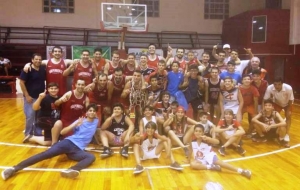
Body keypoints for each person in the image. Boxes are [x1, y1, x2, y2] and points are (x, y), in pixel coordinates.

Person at [1, 104, 99, 180]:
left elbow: (97, 130)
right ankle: (14, 169)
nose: (92, 112)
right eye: (90, 110)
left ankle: (72, 170)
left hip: (78, 150)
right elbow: (63, 132)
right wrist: (76, 124)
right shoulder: (80, 121)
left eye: (94, 111)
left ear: (96, 113)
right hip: (68, 143)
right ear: (86, 112)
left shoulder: (96, 121)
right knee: (45, 155)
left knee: (91, 157)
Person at [52, 79, 89, 144]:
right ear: (75, 85)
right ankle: (53, 144)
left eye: (82, 85)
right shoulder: (69, 94)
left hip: (75, 124)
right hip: (64, 122)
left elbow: (88, 113)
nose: (80, 86)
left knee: (71, 142)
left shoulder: (86, 99)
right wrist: (61, 101)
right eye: (79, 84)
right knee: (58, 123)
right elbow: (55, 103)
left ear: (85, 86)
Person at [19, 53, 46, 137]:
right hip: (30, 97)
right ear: (32, 60)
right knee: (30, 116)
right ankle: (28, 134)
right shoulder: (27, 69)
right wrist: (27, 95)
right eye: (36, 59)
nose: (38, 61)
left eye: (39, 59)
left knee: (39, 116)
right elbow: (21, 82)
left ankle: (37, 132)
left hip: (40, 98)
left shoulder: (42, 69)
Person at [263, 77, 294, 142]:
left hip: (288, 103)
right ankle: (276, 132)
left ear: (282, 84)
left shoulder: (288, 88)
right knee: (274, 116)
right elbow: (265, 99)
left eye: (279, 84)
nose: (277, 86)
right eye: (275, 84)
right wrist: (264, 109)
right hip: (277, 103)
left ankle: (287, 134)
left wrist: (288, 110)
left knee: (288, 116)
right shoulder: (269, 88)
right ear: (273, 84)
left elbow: (290, 100)